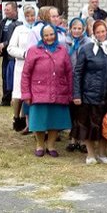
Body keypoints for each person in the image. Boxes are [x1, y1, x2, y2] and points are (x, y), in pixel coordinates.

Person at [72, 20, 107, 165]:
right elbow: (78, 73)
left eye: (103, 31)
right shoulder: (86, 49)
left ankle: (102, 153)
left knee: (104, 126)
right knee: (88, 125)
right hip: (88, 94)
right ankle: (91, 154)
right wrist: (76, 94)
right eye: (97, 32)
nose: (100, 34)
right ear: (94, 33)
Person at [21, 24, 73, 158]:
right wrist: (26, 93)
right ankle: (39, 144)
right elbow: (26, 73)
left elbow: (69, 72)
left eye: (51, 34)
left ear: (55, 34)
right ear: (42, 36)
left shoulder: (62, 50)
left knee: (55, 120)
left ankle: (51, 145)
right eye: (46, 35)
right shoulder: (34, 50)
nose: (49, 37)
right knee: (39, 121)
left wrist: (70, 92)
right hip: (38, 91)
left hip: (59, 90)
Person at [7, 5, 36, 133]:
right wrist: (23, 54)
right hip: (22, 65)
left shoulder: (39, 29)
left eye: (32, 15)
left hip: (36, 67)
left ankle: (28, 120)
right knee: (19, 93)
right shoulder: (19, 29)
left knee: (31, 94)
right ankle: (16, 118)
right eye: (27, 16)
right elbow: (11, 48)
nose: (30, 18)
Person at [0, 1, 21, 106]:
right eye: (5, 10)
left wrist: (4, 44)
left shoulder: (19, 23)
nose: (5, 12)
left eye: (8, 10)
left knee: (12, 77)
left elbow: (13, 39)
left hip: (13, 55)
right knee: (4, 76)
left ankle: (15, 98)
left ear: (14, 10)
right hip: (5, 55)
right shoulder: (3, 22)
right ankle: (5, 100)